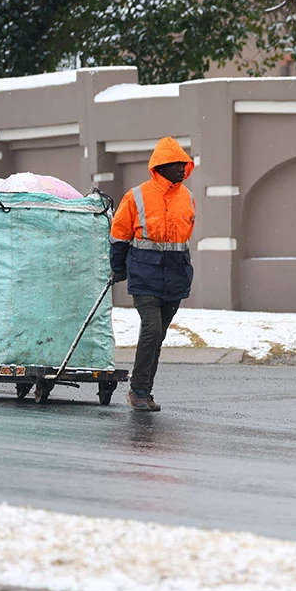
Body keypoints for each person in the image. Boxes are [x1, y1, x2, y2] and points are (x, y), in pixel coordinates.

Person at [110, 137, 196, 411]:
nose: (182, 169)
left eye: (184, 164)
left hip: (175, 275)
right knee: (152, 329)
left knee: (157, 336)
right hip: (144, 274)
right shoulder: (137, 195)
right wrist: (119, 268)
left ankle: (145, 392)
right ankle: (137, 390)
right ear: (161, 167)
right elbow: (119, 234)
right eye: (177, 164)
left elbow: (183, 239)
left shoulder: (188, 197)